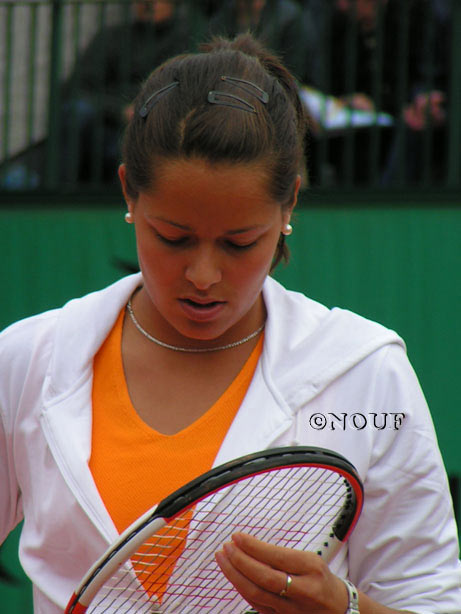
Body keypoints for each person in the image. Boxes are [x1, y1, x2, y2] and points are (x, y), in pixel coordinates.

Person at [0, 33, 460, 614]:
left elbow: (430, 598)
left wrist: (344, 608)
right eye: (173, 237)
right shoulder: (25, 361)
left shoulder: (368, 373)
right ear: (128, 193)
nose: (203, 274)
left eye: (240, 243)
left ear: (289, 204)